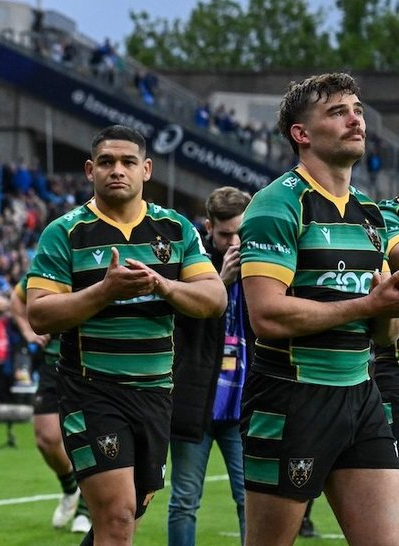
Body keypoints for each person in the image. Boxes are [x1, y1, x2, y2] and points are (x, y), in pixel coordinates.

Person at [26, 124, 226, 546]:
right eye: (106, 162)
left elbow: (214, 298)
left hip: (156, 393)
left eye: (128, 162)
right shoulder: (66, 232)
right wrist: (105, 291)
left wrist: (163, 285)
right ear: (89, 170)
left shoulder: (176, 230)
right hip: (92, 391)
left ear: (146, 169)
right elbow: (40, 313)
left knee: (125, 514)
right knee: (117, 517)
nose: (117, 170)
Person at [238, 72, 399, 546]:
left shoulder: (370, 213)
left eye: (357, 110)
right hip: (292, 398)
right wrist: (369, 302)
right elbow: (266, 315)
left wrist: (385, 310)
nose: (355, 119)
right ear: (301, 134)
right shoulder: (278, 203)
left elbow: (382, 337)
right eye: (337, 111)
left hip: (361, 394)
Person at [166, 187, 251, 546]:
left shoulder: (264, 268)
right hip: (194, 403)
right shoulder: (190, 265)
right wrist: (221, 282)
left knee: (251, 500)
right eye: (225, 234)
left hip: (245, 405)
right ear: (208, 227)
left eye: (241, 233)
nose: (234, 242)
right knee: (184, 501)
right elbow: (179, 329)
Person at [10, 279, 90, 534]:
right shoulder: (52, 260)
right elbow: (17, 299)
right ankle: (70, 488)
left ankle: (86, 510)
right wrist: (27, 329)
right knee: (46, 438)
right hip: (54, 362)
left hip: (91, 363)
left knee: (90, 438)